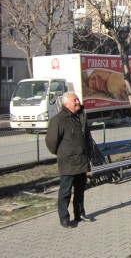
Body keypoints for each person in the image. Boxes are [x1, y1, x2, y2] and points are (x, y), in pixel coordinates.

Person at [45, 92, 94, 228]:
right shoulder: (59, 120)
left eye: (78, 99)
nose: (78, 101)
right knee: (65, 192)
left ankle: (80, 214)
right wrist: (62, 153)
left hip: (82, 160)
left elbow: (86, 138)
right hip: (68, 162)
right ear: (66, 104)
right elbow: (51, 142)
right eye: (75, 100)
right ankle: (64, 218)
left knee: (80, 191)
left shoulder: (81, 116)